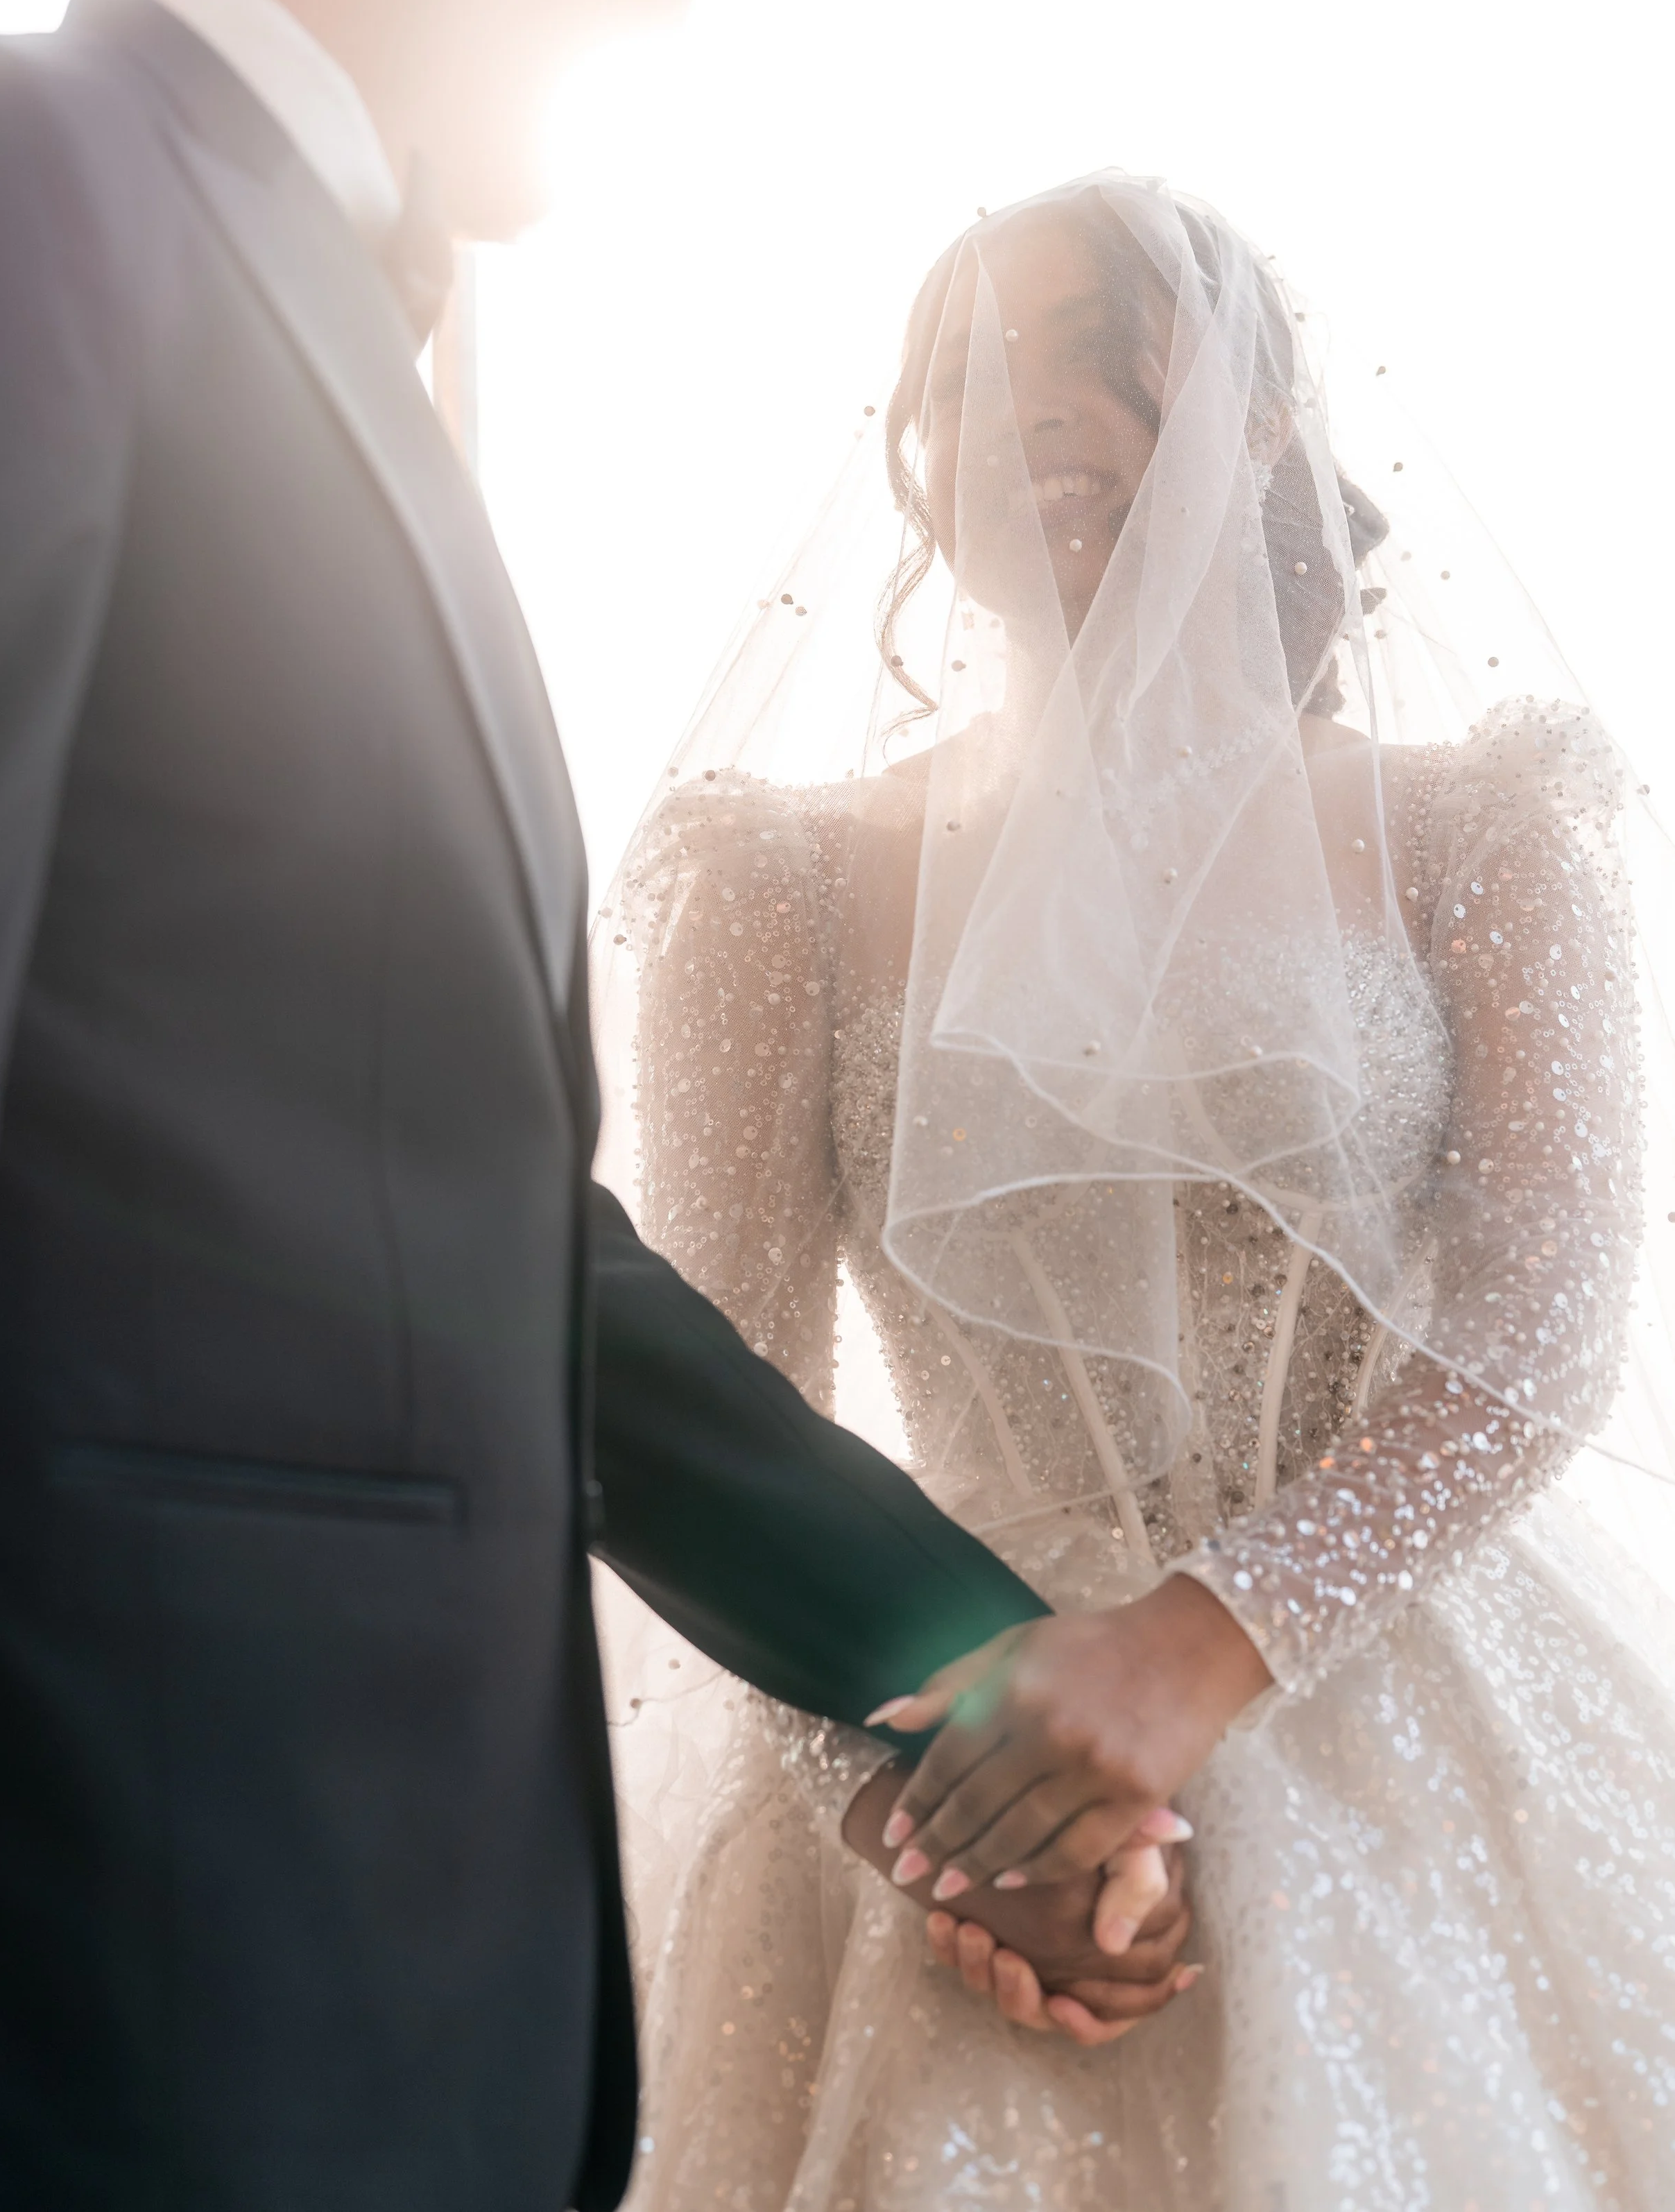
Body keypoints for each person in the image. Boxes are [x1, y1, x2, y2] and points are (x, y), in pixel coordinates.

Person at [0, 0, 1178, 2210]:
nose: (690, 6)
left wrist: (976, 1684)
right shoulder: (11, 193)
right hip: (107, 1994)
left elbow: (484, 1239)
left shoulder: (349, 322)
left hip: (357, 2013)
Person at [603, 172, 1675, 2206]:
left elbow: (1538, 1321)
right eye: (964, 376)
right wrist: (921, 1799)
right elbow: (708, 1401)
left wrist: (1197, 1645)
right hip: (944, 1694)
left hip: (1407, 1681)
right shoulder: (779, 883)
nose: (1023, 411)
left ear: (1263, 410)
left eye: (1098, 341)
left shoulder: (1478, 826)